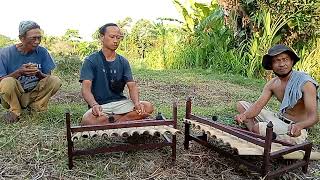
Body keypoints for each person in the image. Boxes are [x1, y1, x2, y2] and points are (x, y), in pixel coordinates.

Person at [234, 44, 319, 144]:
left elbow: (314, 117)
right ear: (271, 65)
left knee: (258, 127)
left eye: (285, 59)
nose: (282, 64)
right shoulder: (272, 84)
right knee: (241, 106)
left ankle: (257, 132)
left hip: (294, 128)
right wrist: (244, 116)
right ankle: (259, 134)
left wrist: (300, 126)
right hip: (278, 118)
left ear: (292, 61)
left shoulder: (305, 83)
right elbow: (257, 106)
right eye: (277, 61)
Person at [80, 23, 154, 125]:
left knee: (147, 106)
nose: (115, 40)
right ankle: (125, 120)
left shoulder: (123, 61)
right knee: (87, 120)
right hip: (101, 106)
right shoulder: (91, 60)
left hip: (120, 104)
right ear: (102, 37)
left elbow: (132, 86)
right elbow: (85, 90)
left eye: (118, 37)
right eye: (112, 37)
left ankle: (112, 120)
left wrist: (137, 103)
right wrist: (94, 105)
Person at [0, 21, 62, 123]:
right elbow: (1, 82)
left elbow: (48, 78)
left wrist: (39, 74)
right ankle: (15, 111)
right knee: (7, 82)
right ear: (21, 38)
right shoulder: (4, 53)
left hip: (33, 94)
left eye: (39, 38)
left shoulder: (42, 52)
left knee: (55, 80)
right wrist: (19, 72)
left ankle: (37, 108)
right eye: (33, 38)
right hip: (13, 95)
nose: (37, 41)